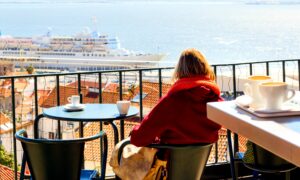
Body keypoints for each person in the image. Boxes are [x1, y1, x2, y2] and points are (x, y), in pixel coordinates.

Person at [130, 48, 223, 146]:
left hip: (169, 160)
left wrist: (134, 131)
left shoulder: (171, 102)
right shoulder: (217, 102)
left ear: (179, 71)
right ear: (205, 68)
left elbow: (138, 139)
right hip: (199, 160)